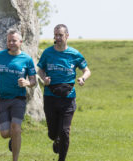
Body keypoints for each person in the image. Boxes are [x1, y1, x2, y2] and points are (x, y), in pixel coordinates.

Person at [37, 24, 91, 161]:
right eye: (55, 35)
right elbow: (40, 69)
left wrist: (82, 78)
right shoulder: (48, 53)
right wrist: (44, 78)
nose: (57, 38)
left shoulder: (74, 54)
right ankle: (56, 139)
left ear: (67, 36)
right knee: (52, 133)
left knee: (65, 132)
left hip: (68, 98)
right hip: (50, 97)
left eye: (60, 35)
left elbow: (87, 70)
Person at [0, 29, 37, 161]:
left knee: (16, 128)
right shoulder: (0, 56)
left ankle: (15, 159)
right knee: (5, 133)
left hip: (18, 99)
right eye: (9, 41)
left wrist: (27, 82)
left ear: (20, 42)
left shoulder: (26, 59)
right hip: (2, 99)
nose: (11, 43)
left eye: (14, 40)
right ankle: (14, 138)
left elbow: (34, 81)